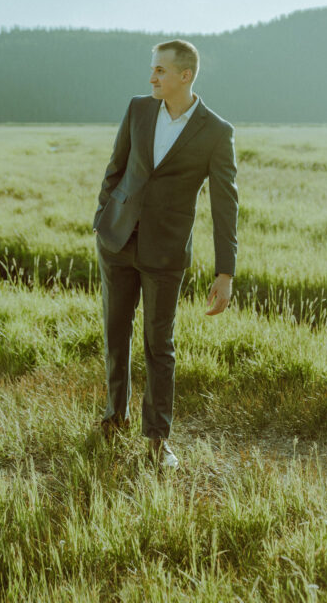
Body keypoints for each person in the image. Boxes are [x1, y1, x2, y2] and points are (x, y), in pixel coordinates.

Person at [93, 40, 238, 470]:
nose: (151, 77)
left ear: (184, 76)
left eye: (159, 71)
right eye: (152, 69)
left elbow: (224, 204)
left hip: (166, 253)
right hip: (117, 242)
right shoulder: (138, 109)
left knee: (160, 345)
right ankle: (113, 419)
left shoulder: (216, 131)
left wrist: (225, 272)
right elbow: (115, 167)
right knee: (115, 336)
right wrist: (104, 215)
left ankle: (157, 440)